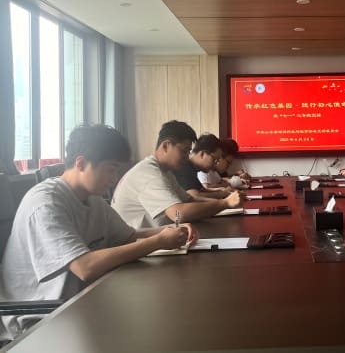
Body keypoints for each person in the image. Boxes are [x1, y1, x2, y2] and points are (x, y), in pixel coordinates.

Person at [0, 125, 197, 341]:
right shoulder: (45, 203)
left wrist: (169, 231)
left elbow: (129, 236)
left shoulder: (93, 199)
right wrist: (159, 241)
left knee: (165, 311)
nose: (114, 178)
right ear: (81, 163)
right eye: (110, 170)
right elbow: (85, 267)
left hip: (81, 302)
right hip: (39, 319)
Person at [112, 121, 244, 228]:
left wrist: (225, 201)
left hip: (158, 238)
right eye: (184, 151)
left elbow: (189, 200)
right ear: (166, 146)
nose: (187, 157)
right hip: (138, 244)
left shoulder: (165, 171)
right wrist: (225, 203)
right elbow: (179, 214)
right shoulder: (149, 174)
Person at [172, 133, 231, 199]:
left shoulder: (193, 169)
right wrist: (222, 194)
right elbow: (194, 195)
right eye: (214, 159)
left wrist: (223, 191)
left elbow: (202, 190)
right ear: (202, 154)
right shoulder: (185, 168)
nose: (216, 163)